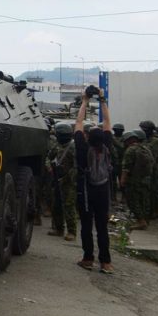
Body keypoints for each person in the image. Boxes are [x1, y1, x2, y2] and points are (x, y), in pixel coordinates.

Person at [73, 86, 114, 274]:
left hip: (86, 191)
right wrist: (102, 100)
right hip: (103, 191)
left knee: (86, 226)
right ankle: (106, 263)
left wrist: (85, 101)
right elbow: (107, 121)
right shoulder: (107, 146)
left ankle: (88, 258)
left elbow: (78, 123)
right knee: (102, 227)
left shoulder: (82, 148)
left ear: (87, 137)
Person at [46, 122, 77, 241]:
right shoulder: (57, 146)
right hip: (57, 179)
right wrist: (49, 166)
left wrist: (67, 178)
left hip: (69, 182)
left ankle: (72, 231)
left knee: (69, 206)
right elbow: (48, 157)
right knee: (56, 205)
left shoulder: (74, 147)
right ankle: (58, 229)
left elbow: (76, 167)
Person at [120, 130, 154, 230]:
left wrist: (122, 181)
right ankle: (145, 220)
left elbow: (126, 168)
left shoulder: (130, 150)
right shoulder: (146, 149)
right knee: (144, 200)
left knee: (133, 201)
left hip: (134, 181)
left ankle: (141, 221)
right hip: (146, 179)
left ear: (130, 140)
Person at [110, 123, 126, 204]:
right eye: (116, 130)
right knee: (113, 181)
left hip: (122, 163)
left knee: (122, 181)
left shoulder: (125, 138)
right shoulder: (111, 138)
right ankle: (113, 197)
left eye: (119, 130)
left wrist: (114, 141)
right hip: (113, 162)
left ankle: (123, 197)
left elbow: (122, 147)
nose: (117, 131)